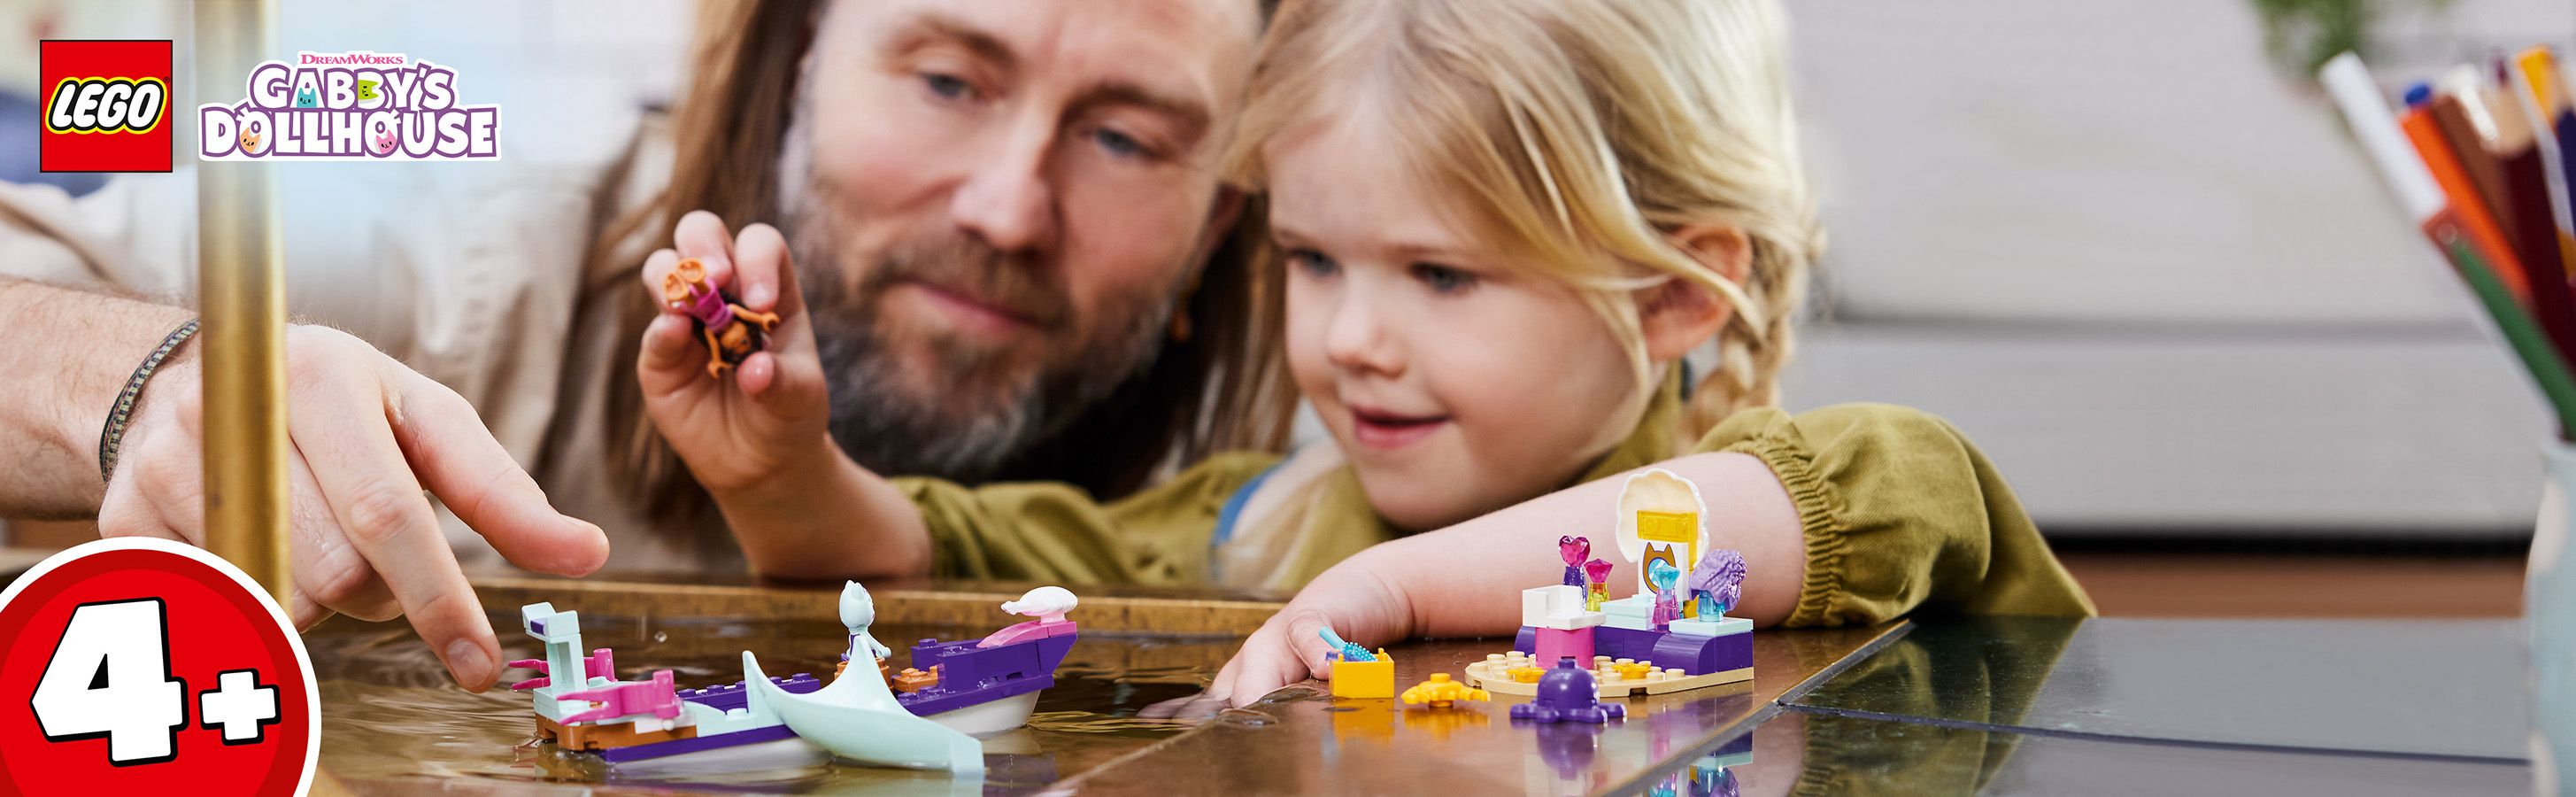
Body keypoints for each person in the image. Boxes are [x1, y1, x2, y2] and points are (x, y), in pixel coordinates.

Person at [646, 0, 2097, 709]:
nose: (1348, 341)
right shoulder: (1252, 523)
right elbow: (942, 560)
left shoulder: (1782, 520)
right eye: (1312, 260)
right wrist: (783, 475)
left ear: (1671, 297)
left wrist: (1398, 588)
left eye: (1441, 275)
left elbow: (1899, 477)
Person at [0, 0, 1279, 691]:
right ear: (797, 59)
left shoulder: (1310, 452)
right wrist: (144, 384)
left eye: (1125, 140)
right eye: (947, 80)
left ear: (1224, 218)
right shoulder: (483, 269)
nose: (1008, 210)